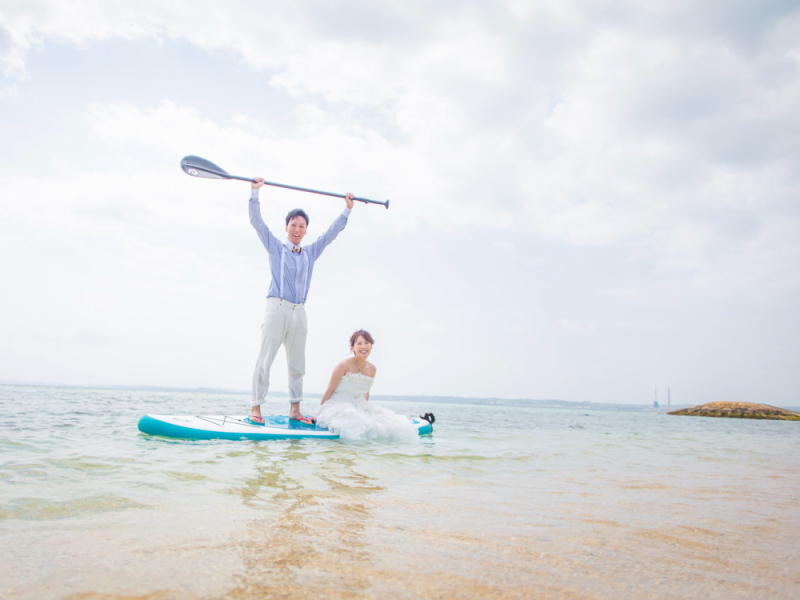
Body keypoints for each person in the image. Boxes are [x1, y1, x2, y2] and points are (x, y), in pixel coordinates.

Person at [248, 177, 355, 425]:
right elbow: (257, 222)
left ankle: (295, 410)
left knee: (298, 366)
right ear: (286, 227)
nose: (297, 229)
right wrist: (255, 192)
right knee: (265, 361)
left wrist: (347, 209)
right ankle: (256, 407)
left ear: (306, 230)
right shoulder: (275, 247)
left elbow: (331, 234)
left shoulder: (311, 253)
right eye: (293, 225)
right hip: (277, 307)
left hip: (300, 312)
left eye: (302, 226)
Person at [313, 330, 419, 440]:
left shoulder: (372, 369)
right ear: (353, 347)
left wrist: (365, 412)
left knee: (384, 424)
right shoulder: (343, 365)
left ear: (371, 345)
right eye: (359, 343)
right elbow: (330, 390)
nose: (363, 346)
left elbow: (366, 394)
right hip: (338, 407)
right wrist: (318, 413)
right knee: (354, 425)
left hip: (358, 407)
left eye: (367, 342)